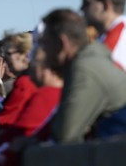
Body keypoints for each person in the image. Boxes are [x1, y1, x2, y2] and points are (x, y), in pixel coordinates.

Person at [40, 9, 126, 142]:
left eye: (45, 44)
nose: (42, 53)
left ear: (62, 43)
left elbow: (65, 135)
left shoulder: (84, 70)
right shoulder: (88, 61)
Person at [81, 0, 126, 70]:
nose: (81, 8)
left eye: (86, 3)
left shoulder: (119, 38)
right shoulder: (107, 36)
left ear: (106, 5)